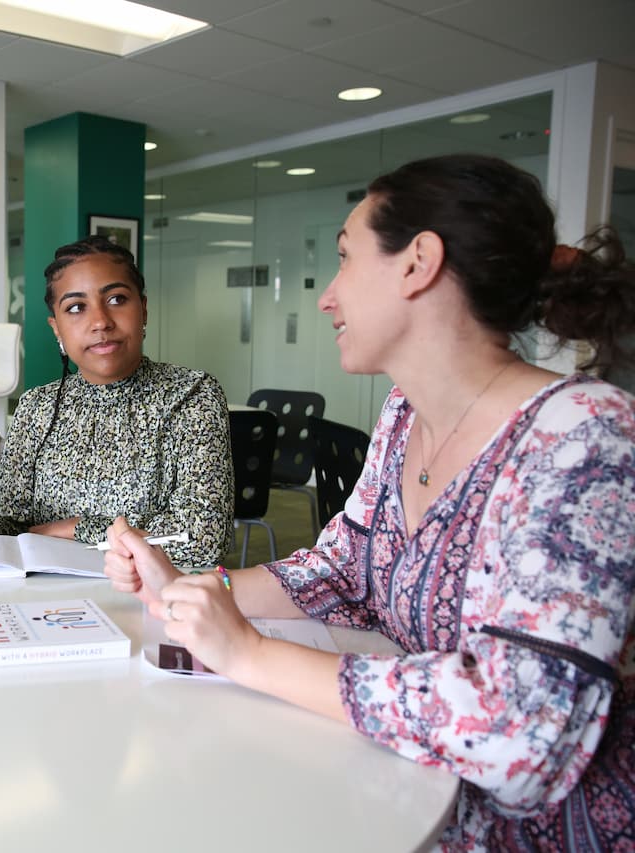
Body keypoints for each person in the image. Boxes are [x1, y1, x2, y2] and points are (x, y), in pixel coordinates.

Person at [104, 154, 635, 851]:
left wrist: (249, 654)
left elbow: (520, 731)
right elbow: (341, 566)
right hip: (401, 783)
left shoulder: (587, 435)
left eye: (346, 258)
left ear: (418, 262)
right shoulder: (404, 413)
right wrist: (194, 588)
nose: (327, 297)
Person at [0, 236, 233, 567]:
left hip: (150, 591)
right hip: (46, 592)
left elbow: (203, 541)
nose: (101, 321)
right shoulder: (36, 407)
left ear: (144, 309)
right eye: (76, 307)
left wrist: (77, 528)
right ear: (56, 328)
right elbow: (15, 529)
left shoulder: (192, 394)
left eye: (117, 299)